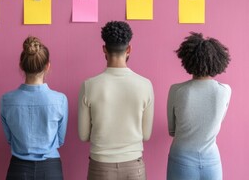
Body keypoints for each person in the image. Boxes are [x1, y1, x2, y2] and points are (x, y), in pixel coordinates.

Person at [78, 21, 154, 180]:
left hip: (100, 166)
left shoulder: (89, 85)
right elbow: (146, 135)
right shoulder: (145, 85)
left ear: (104, 49)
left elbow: (83, 136)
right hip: (134, 167)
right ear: (129, 49)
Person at [0, 36, 68, 180]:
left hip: (18, 168)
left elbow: (10, 139)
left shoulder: (6, 100)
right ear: (47, 66)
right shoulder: (60, 100)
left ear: (21, 65)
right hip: (51, 169)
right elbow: (60, 140)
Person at [167, 32, 231, 180]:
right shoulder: (225, 91)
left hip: (181, 159)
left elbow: (172, 131)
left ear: (187, 59)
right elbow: (218, 121)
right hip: (212, 161)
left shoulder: (176, 90)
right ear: (218, 60)